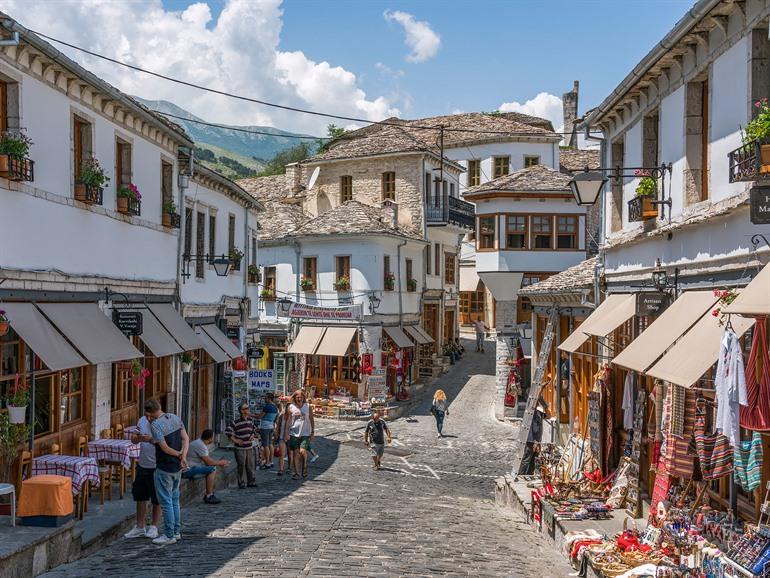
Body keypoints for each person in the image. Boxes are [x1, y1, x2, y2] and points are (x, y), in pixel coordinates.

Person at [146, 398, 189, 546]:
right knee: (175, 501)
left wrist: (178, 454)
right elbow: (185, 438)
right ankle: (176, 532)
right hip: (177, 467)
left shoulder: (156, 425)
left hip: (165, 467)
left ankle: (169, 534)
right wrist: (183, 456)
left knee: (166, 503)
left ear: (149, 413)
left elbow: (164, 448)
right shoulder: (175, 418)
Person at [124, 410, 161, 539]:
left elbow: (165, 443)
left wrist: (151, 440)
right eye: (146, 415)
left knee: (157, 498)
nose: (148, 417)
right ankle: (140, 526)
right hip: (143, 463)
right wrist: (139, 438)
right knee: (140, 496)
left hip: (157, 465)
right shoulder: (142, 420)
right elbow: (133, 439)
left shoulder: (164, 422)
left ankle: (154, 526)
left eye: (151, 415)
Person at [182, 429, 229, 504]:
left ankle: (210, 494)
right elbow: (209, 462)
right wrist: (221, 462)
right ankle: (209, 495)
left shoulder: (199, 442)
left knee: (211, 467)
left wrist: (219, 463)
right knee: (212, 469)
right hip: (188, 470)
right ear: (210, 438)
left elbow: (208, 460)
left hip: (191, 467)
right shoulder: (201, 445)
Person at [226, 403, 258, 488]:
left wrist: (253, 435)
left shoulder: (250, 420)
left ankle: (250, 481)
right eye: (246, 408)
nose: (248, 409)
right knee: (241, 466)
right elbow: (228, 431)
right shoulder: (236, 422)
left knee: (250, 465)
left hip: (249, 447)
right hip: (240, 449)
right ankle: (241, 482)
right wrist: (235, 440)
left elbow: (254, 430)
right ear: (242, 411)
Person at [287, 389, 314, 480]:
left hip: (305, 433)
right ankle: (296, 473)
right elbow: (288, 421)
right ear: (295, 398)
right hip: (293, 433)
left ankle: (305, 465)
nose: (299, 399)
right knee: (295, 453)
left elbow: (311, 419)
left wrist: (312, 432)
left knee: (302, 451)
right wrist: (286, 433)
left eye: (301, 397)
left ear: (304, 398)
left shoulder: (307, 406)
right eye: (298, 397)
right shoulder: (291, 407)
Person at [518, 398, 549, 476]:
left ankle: (529, 474)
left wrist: (545, 406)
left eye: (537, 402)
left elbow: (548, 416)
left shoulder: (539, 413)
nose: (536, 404)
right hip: (531, 440)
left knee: (533, 459)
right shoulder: (530, 414)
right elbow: (532, 429)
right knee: (527, 459)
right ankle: (521, 475)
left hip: (537, 440)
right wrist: (535, 441)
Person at [256, 393, 278, 470]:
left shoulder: (267, 407)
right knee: (270, 444)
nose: (264, 399)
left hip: (265, 427)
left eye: (265, 398)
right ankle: (271, 461)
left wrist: (251, 415)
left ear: (269, 398)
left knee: (265, 445)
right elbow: (275, 419)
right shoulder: (275, 407)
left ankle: (267, 463)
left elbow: (259, 417)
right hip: (271, 426)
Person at [273, 402, 291, 476]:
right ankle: (281, 469)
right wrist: (276, 435)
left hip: (290, 438)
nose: (289, 409)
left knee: (290, 454)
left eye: (291, 408)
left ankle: (289, 467)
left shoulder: (294, 417)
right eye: (288, 407)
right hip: (281, 438)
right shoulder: (281, 416)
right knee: (282, 455)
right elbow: (277, 426)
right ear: (286, 408)